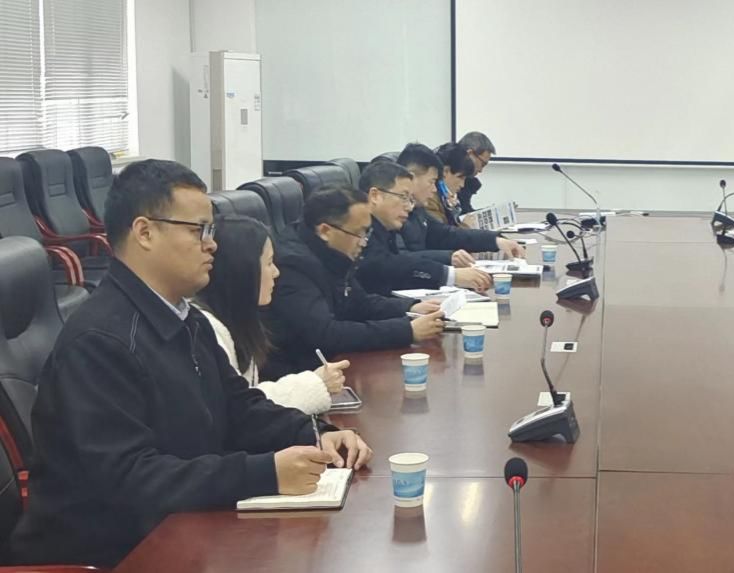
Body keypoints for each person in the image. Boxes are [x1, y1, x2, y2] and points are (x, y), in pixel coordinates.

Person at [7, 160, 371, 567]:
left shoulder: (186, 318)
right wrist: (265, 473)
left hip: (181, 528)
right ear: (145, 232)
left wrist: (315, 434)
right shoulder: (101, 341)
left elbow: (239, 407)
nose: (212, 245)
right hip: (115, 554)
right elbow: (130, 477)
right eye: (199, 230)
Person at [262, 185, 445, 380]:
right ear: (325, 231)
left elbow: (359, 302)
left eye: (367, 233)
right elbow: (326, 334)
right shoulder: (293, 265)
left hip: (334, 367)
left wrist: (411, 308)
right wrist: (407, 331)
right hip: (299, 375)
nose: (364, 242)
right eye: (359, 233)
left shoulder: (330, 250)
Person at [196, 215, 350, 414]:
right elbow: (239, 411)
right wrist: (316, 383)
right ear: (242, 270)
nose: (276, 272)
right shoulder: (207, 330)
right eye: (269, 263)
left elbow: (248, 395)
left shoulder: (239, 321)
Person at [356, 161, 493, 295]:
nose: (409, 207)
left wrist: (411, 306)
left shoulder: (384, 229)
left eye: (410, 199)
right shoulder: (357, 232)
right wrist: (449, 275)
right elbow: (389, 265)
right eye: (403, 197)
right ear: (375, 196)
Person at [396, 142, 524, 258]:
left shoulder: (417, 211)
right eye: (431, 181)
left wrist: (495, 241)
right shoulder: (394, 211)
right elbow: (400, 260)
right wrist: (450, 260)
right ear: (411, 178)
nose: (434, 189)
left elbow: (447, 234)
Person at [456, 131, 496, 214]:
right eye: (482, 164)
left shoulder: (468, 182)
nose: (481, 170)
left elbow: (465, 212)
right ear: (470, 154)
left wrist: (491, 213)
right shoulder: (447, 179)